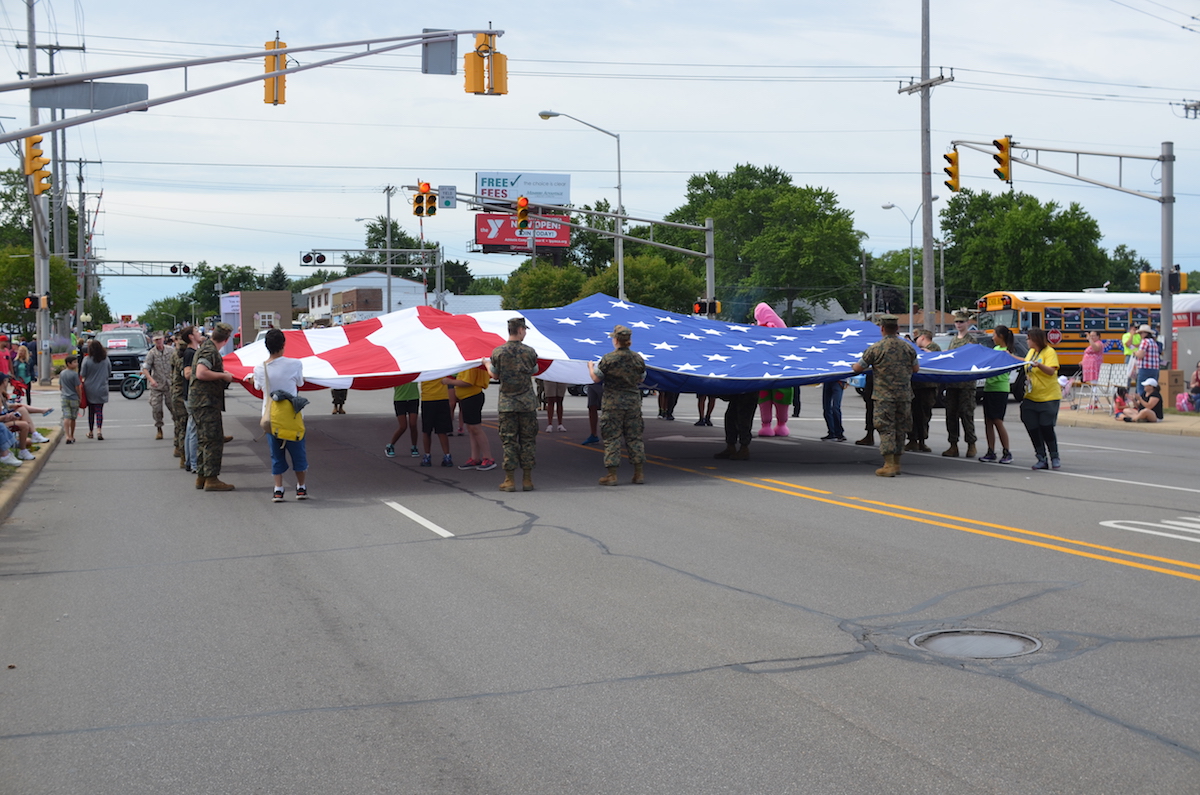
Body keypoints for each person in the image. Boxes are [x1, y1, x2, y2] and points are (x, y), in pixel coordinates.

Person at [852, 315, 919, 477]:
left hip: (884, 396)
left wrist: (853, 365)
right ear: (897, 329)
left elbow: (858, 368)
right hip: (904, 396)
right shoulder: (908, 347)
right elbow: (916, 369)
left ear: (882, 328)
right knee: (900, 429)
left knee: (886, 428)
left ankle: (888, 465)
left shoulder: (876, 348)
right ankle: (897, 463)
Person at [253, 328, 309, 501]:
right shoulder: (295, 364)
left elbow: (257, 386)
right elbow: (300, 382)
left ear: (266, 346)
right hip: (292, 416)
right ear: (283, 344)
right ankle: (301, 487)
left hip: (271, 418)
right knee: (298, 452)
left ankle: (278, 489)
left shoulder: (259, 368)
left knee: (276, 454)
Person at [485, 317, 539, 492]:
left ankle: (509, 480)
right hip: (527, 404)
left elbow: (494, 375)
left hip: (507, 404)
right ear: (521, 330)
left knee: (509, 442)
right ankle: (527, 480)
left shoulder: (498, 352)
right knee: (528, 441)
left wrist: (486, 364)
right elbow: (535, 370)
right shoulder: (530, 352)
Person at [589, 324, 647, 485]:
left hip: (613, 403)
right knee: (634, 437)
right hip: (633, 403)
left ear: (615, 340)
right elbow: (641, 378)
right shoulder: (638, 358)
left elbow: (596, 378)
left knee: (612, 438)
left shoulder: (608, 359)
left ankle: (612, 475)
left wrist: (590, 368)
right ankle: (639, 474)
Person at [189, 322, 239, 491]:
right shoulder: (210, 351)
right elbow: (201, 373)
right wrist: (223, 376)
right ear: (227, 339)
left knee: (204, 440)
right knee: (213, 440)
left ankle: (202, 477)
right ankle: (211, 479)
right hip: (206, 402)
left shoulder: (206, 348)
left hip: (201, 401)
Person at [1021, 327, 1063, 471]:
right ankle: (1041, 457)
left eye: (1028, 339)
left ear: (1035, 339)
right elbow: (1025, 362)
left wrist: (1039, 365)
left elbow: (1051, 371)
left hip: (1048, 397)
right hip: (1031, 396)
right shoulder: (1031, 352)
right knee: (1032, 427)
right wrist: (1011, 357)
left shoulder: (1049, 352)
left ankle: (1054, 456)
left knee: (1046, 427)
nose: (1027, 341)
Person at [979, 324, 1019, 464]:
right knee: (988, 421)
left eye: (994, 335)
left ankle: (1007, 451)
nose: (992, 338)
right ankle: (990, 450)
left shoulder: (1006, 352)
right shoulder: (995, 349)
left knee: (997, 420)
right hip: (989, 387)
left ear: (1001, 336)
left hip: (1000, 388)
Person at [442, 366, 494, 470]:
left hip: (472, 397)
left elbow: (467, 382)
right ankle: (475, 458)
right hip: (467, 398)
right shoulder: (467, 367)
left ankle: (488, 458)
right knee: (471, 429)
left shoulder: (470, 367)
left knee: (476, 428)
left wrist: (449, 381)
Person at [942, 309, 978, 458]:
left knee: (966, 414)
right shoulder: (953, 340)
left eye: (961, 322)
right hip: (953, 383)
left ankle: (971, 444)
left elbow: (973, 358)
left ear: (967, 323)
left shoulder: (971, 341)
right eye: (956, 322)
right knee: (951, 415)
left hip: (966, 385)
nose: (958, 324)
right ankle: (953, 445)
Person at [753, 303, 792, 437]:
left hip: (764, 373)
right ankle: (781, 425)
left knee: (765, 400)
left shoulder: (758, 331)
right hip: (781, 373)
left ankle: (767, 425)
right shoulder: (781, 329)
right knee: (781, 399)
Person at [906, 329, 940, 452]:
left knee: (924, 415)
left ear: (922, 337)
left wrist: (927, 353)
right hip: (916, 386)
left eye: (917, 339)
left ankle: (922, 440)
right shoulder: (916, 349)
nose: (916, 341)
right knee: (913, 414)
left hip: (927, 387)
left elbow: (936, 360)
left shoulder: (933, 348)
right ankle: (912, 440)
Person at [141, 333, 175, 440]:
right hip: (157, 384)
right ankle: (159, 428)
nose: (158, 342)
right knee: (156, 408)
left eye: (160, 339)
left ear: (163, 339)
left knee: (174, 407)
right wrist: (151, 380)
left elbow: (177, 364)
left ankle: (178, 428)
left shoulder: (171, 351)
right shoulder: (152, 353)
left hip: (170, 384)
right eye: (156, 340)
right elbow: (145, 368)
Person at [79, 339, 111, 440]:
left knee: (91, 411)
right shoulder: (106, 359)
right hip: (102, 387)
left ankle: (91, 431)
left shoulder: (87, 360)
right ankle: (99, 431)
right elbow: (109, 372)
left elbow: (83, 373)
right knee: (99, 410)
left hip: (89, 388)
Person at [418, 377, 453, 468]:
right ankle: (447, 456)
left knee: (427, 430)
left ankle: (427, 456)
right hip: (441, 397)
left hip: (428, 398)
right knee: (442, 430)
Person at [180, 326, 202, 473]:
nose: (199, 333)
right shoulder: (190, 353)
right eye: (196, 332)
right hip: (191, 395)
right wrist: (201, 371)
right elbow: (187, 374)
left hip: (189, 395)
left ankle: (189, 461)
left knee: (190, 428)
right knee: (194, 429)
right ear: (191, 336)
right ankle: (194, 463)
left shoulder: (193, 352)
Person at [168, 334, 190, 466]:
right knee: (183, 425)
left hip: (176, 391)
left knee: (179, 423)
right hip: (180, 393)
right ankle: (183, 455)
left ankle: (178, 447)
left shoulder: (175, 355)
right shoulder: (182, 357)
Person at [385, 381, 420, 458]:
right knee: (403, 426)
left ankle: (414, 446)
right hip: (400, 399)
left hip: (413, 398)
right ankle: (391, 445)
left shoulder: (413, 373)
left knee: (413, 424)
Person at [1133, 324, 1160, 398]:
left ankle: (1142, 403)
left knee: (1141, 389)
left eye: (1141, 333)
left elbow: (1141, 355)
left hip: (1145, 368)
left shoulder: (1144, 341)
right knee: (1152, 389)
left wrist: (1135, 353)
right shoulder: (1154, 342)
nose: (1140, 335)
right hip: (1155, 369)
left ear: (1145, 333)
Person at [59, 354, 81, 444]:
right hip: (74, 398)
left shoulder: (62, 373)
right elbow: (77, 387)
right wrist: (80, 397)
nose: (76, 364)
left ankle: (67, 435)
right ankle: (72, 435)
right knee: (73, 418)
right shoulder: (74, 374)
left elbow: (60, 386)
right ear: (69, 363)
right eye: (74, 362)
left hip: (64, 397)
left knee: (66, 416)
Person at [854, 371, 875, 447]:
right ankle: (869, 435)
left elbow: (859, 367)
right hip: (876, 384)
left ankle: (870, 436)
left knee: (871, 411)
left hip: (877, 385)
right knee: (870, 411)